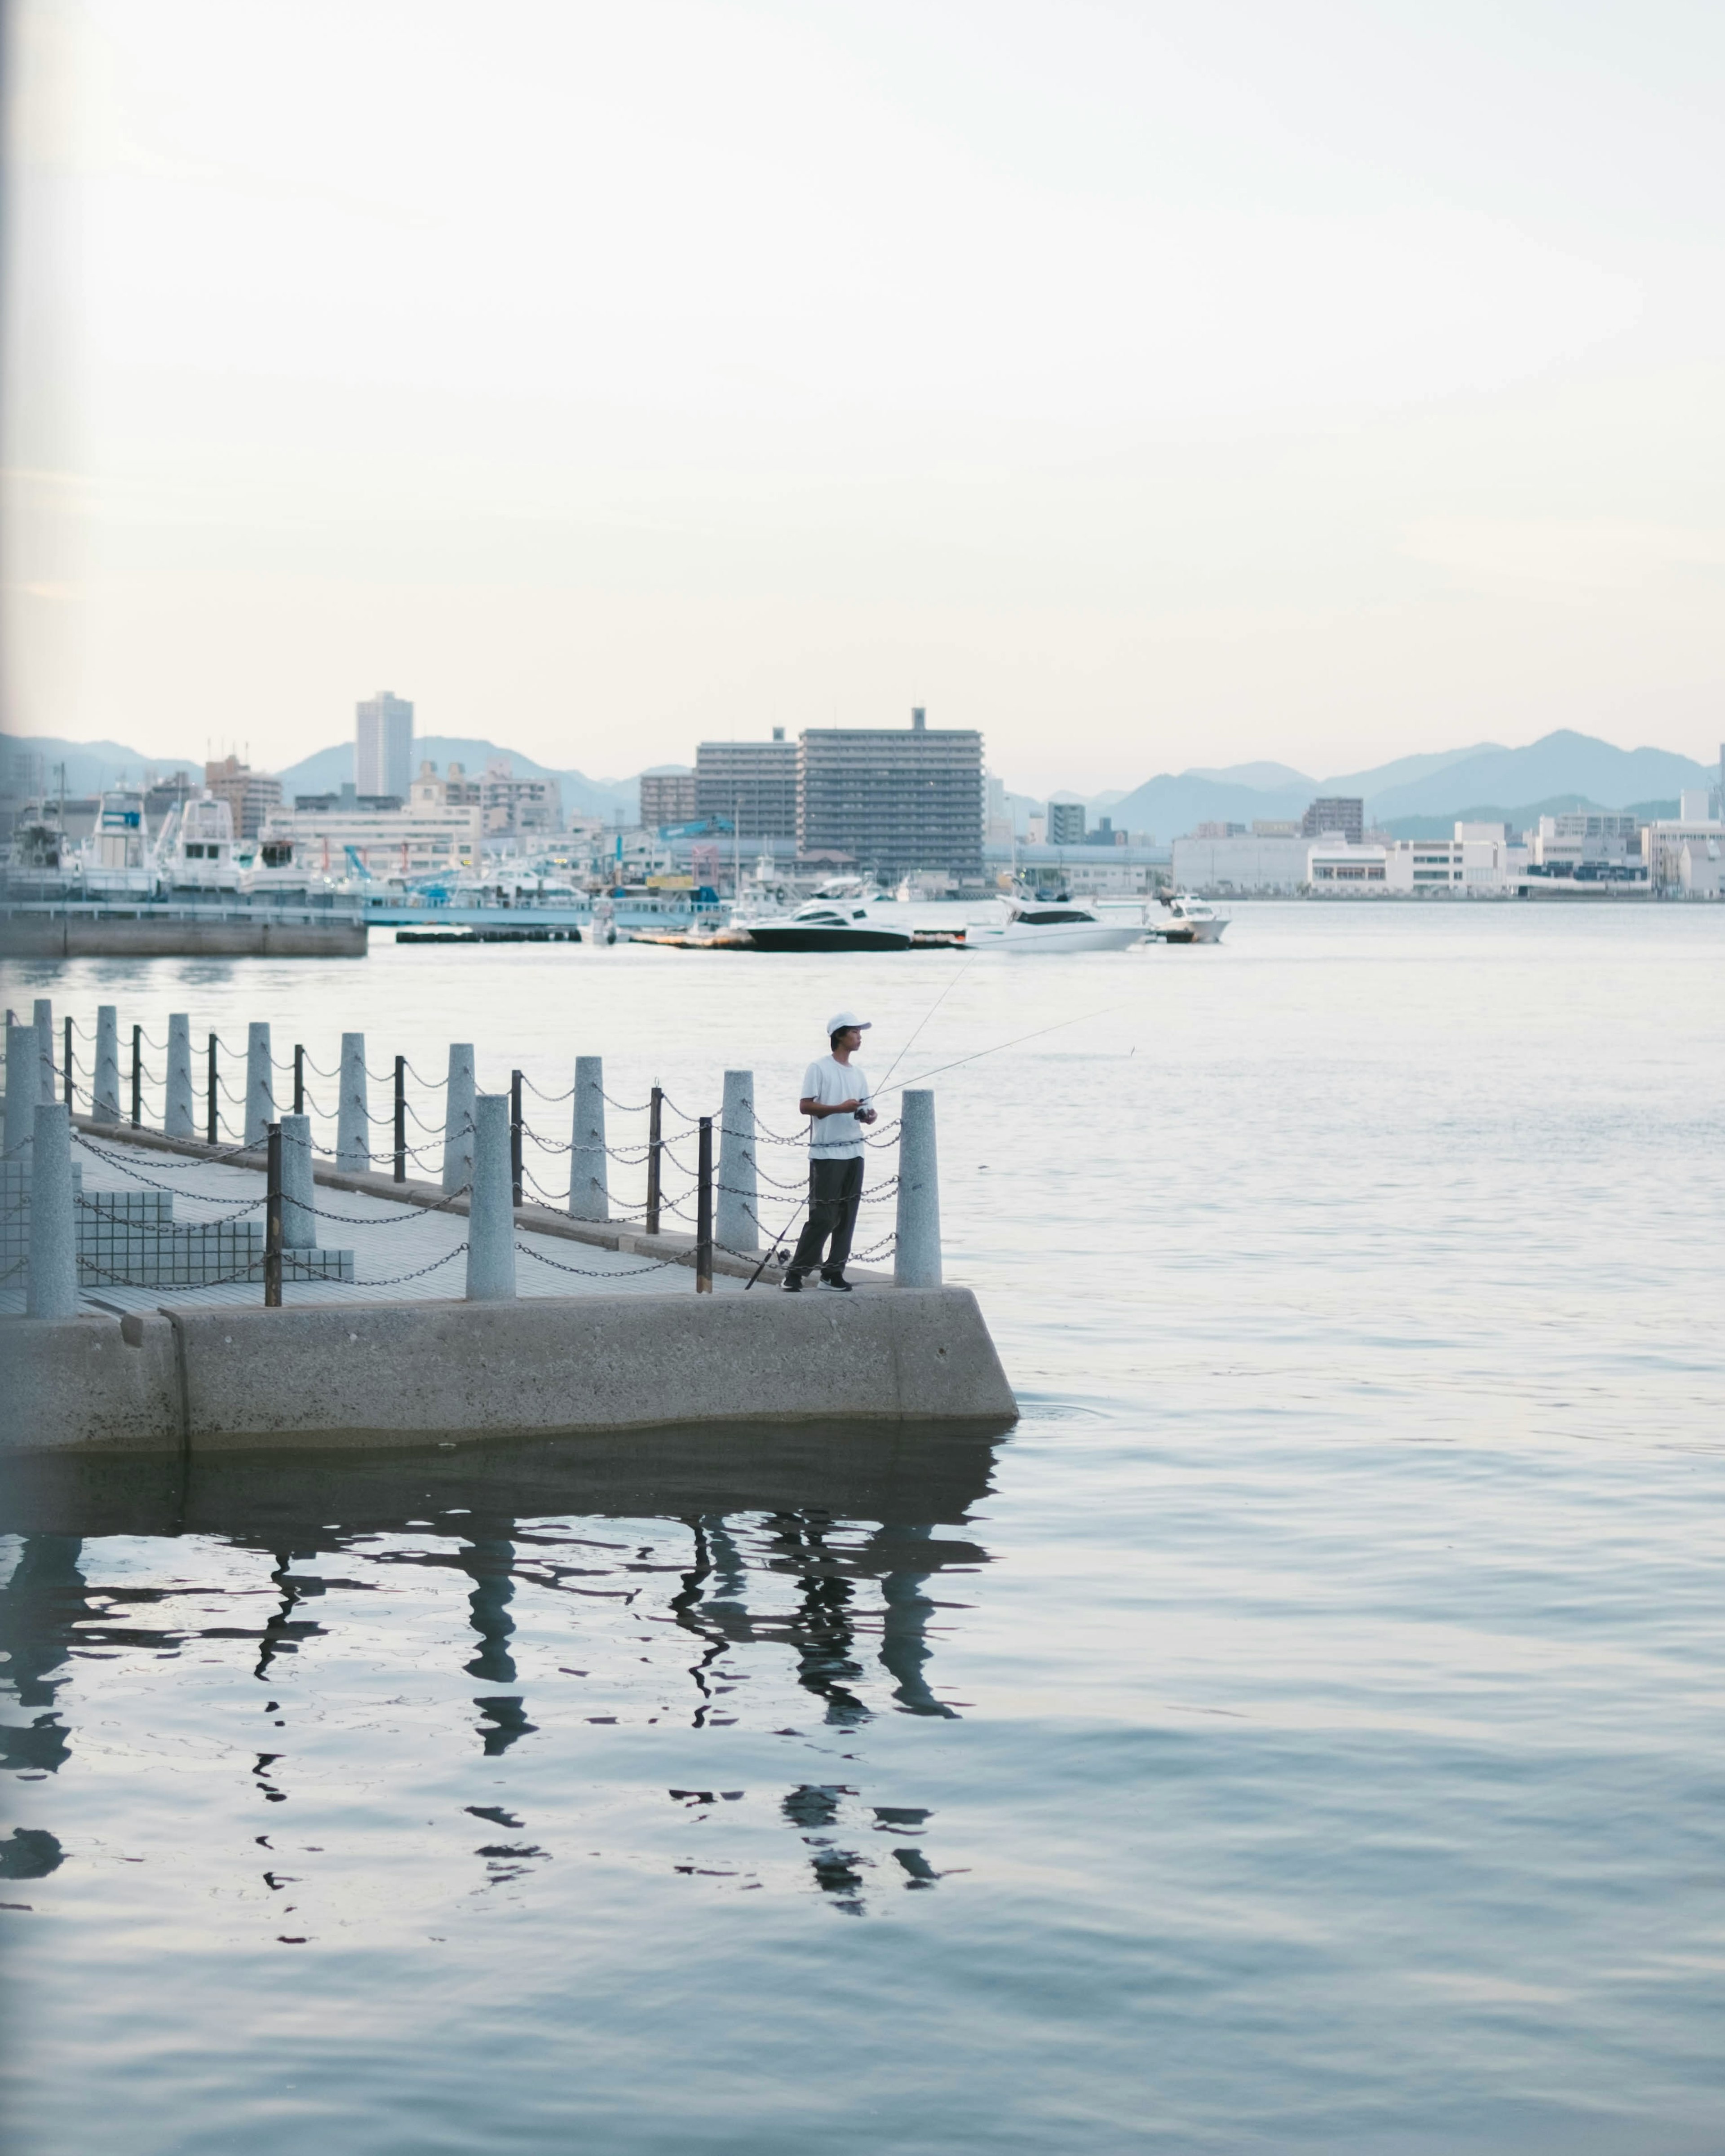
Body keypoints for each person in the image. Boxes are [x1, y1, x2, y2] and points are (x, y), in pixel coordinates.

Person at [782, 1009, 877, 1292]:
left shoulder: (859, 1074)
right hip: (826, 1155)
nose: (860, 1037)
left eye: (860, 1033)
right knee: (824, 1218)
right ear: (839, 1035)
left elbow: (863, 1110)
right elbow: (805, 1106)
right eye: (855, 1032)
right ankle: (795, 1275)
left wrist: (867, 1116)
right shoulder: (819, 1068)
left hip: (855, 1152)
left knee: (847, 1217)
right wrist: (839, 1108)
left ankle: (832, 1274)